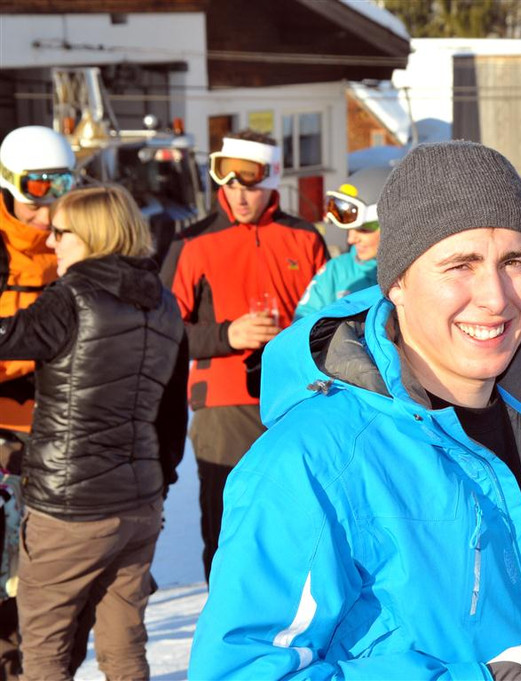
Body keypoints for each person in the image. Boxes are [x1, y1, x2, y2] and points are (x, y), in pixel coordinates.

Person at [188, 141, 521, 680]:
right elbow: (240, 671)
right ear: (396, 282)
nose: (496, 297)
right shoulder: (314, 460)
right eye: (461, 264)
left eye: (515, 262)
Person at [0, 184, 188, 681]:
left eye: (60, 233)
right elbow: (172, 414)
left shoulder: (72, 298)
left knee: (44, 651)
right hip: (139, 504)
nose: (50, 243)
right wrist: (158, 484)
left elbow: (9, 338)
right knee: (124, 649)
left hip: (69, 509)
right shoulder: (164, 303)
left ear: (92, 234)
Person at [160, 129, 327, 581]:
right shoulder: (191, 242)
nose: (238, 194)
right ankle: (224, 610)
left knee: (295, 519)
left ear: (271, 178)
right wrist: (227, 334)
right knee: (228, 522)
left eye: (249, 184)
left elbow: (329, 321)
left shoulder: (304, 238)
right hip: (223, 401)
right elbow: (161, 332)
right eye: (228, 182)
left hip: (297, 398)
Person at [0, 124, 77, 680]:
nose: (47, 209)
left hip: (61, 426)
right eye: (35, 189)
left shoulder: (77, 237)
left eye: (60, 186)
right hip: (5, 423)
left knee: (49, 568)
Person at [294, 166, 389, 319]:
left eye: (364, 230)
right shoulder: (335, 271)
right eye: (349, 229)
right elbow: (303, 322)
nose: (351, 239)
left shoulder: (416, 273)